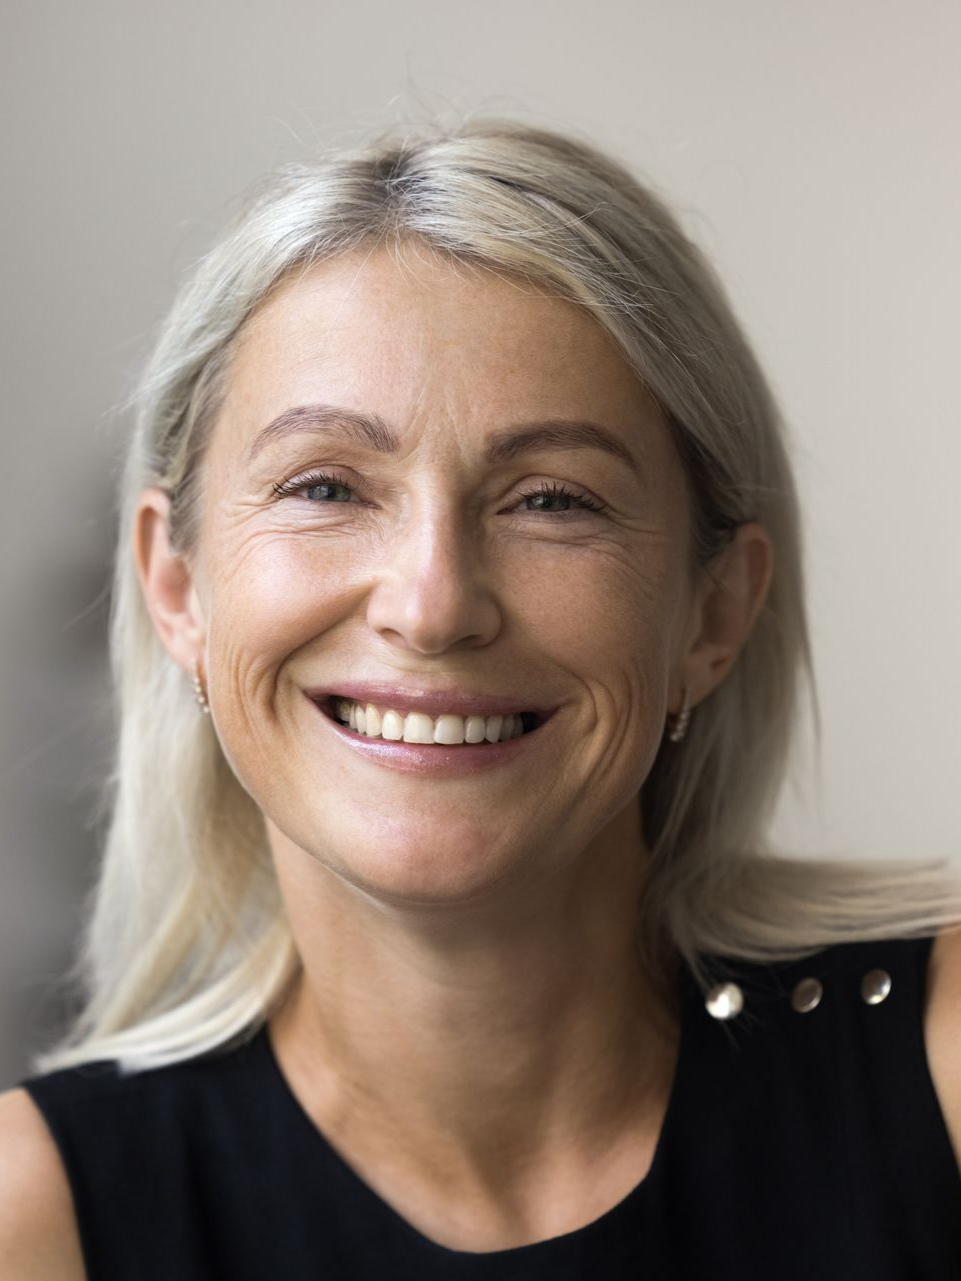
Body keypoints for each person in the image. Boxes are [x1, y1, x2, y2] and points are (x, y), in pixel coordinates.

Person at [1, 119, 959, 1280]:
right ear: (175, 585)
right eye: (325, 487)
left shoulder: (940, 1066)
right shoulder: (40, 1217)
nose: (433, 603)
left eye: (550, 500)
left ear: (711, 613)